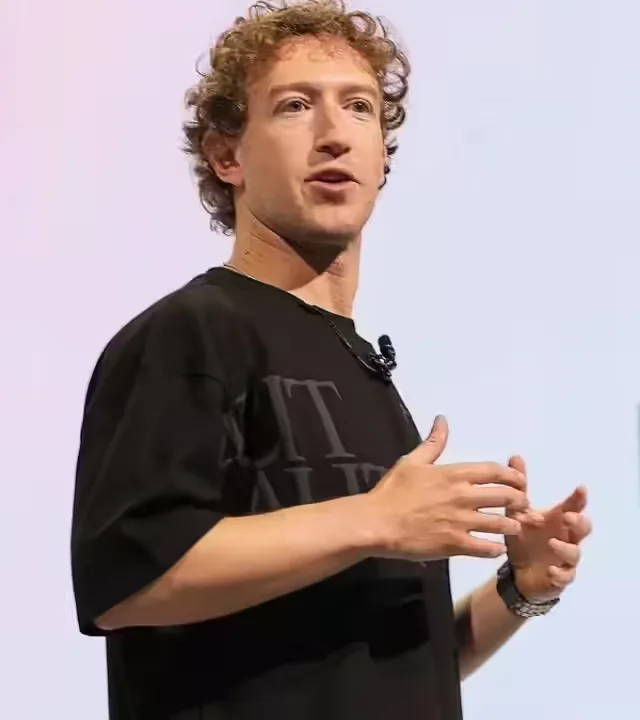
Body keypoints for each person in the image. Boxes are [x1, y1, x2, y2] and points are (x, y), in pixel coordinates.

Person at [68, 2, 592, 718]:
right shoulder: (193, 334)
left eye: (358, 107)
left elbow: (392, 669)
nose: (334, 135)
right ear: (227, 156)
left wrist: (521, 589)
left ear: (383, 159)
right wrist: (375, 520)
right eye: (294, 106)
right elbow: (126, 579)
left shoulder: (360, 371)